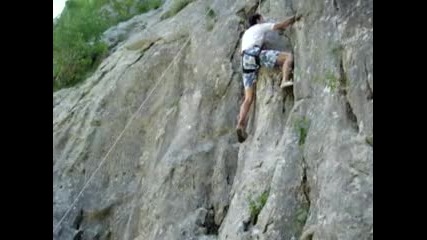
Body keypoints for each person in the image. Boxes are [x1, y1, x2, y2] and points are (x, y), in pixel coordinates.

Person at [236, 13, 300, 143]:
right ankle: (285, 80)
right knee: (288, 57)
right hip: (255, 54)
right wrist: (295, 17)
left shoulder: (246, 34)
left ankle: (240, 125)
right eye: (262, 18)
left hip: (245, 60)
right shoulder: (260, 27)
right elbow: (281, 25)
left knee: (248, 98)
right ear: (258, 20)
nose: (264, 19)